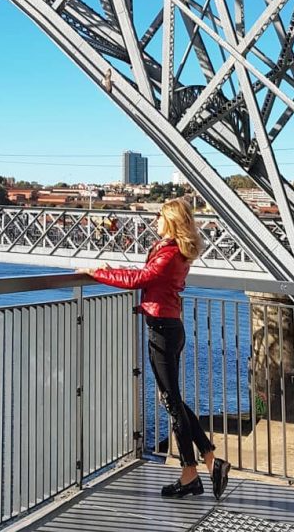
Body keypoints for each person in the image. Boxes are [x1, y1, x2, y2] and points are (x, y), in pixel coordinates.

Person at [79, 197, 231, 500]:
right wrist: (113, 270)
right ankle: (209, 460)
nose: (155, 220)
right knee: (173, 399)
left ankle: (190, 474)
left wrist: (98, 273)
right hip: (169, 327)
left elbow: (141, 278)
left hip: (162, 331)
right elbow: (150, 279)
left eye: (159, 216)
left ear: (170, 220)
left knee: (172, 402)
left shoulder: (170, 253)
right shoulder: (176, 251)